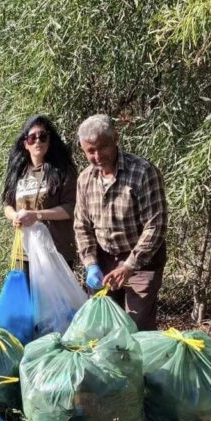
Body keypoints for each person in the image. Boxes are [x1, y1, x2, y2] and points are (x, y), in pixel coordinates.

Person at [74, 114, 168, 330]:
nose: (97, 156)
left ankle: (141, 363)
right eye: (90, 151)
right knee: (104, 326)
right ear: (83, 150)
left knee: (136, 326)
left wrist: (128, 266)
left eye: (103, 147)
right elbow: (81, 225)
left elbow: (156, 225)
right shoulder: (85, 179)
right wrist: (91, 264)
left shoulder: (142, 172)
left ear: (116, 139)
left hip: (141, 262)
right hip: (104, 261)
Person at [1, 114, 78, 270]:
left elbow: (71, 207)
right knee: (28, 295)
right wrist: (14, 216)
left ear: (49, 141)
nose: (38, 141)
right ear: (25, 144)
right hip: (24, 251)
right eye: (32, 138)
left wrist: (37, 215)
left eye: (43, 137)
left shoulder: (63, 170)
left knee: (56, 296)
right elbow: (7, 204)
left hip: (56, 250)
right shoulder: (18, 172)